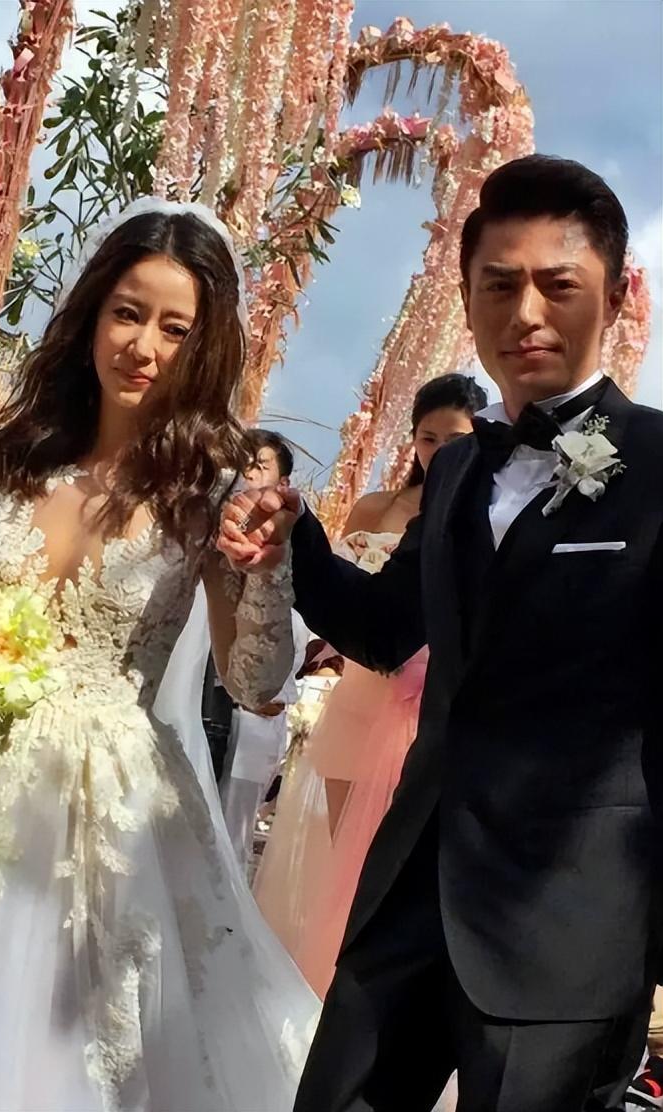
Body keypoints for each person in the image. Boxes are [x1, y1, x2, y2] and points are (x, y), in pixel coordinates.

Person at [0, 199, 319, 1111]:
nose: (143, 346)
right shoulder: (9, 455)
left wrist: (266, 571)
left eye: (175, 328)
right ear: (93, 313)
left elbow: (256, 685)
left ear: (205, 344)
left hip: (110, 808)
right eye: (127, 313)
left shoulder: (209, 490)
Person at [220, 155, 663, 1111]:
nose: (526, 313)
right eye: (499, 286)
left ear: (617, 296)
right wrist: (296, 539)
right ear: (467, 299)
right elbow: (387, 631)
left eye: (558, 284)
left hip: (571, 920)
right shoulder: (458, 469)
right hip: (412, 890)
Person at [254, 374, 486, 1000]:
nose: (438, 451)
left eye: (455, 439)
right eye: (428, 438)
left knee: (397, 858)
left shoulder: (477, 513)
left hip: (422, 703)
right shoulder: (377, 508)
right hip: (362, 691)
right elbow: (344, 595)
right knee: (345, 854)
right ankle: (330, 984)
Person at [219, 429, 309, 874]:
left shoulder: (296, 542)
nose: (248, 474)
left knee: (233, 833)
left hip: (259, 715)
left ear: (283, 481)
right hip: (210, 706)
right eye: (242, 464)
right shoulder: (211, 526)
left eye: (259, 466)